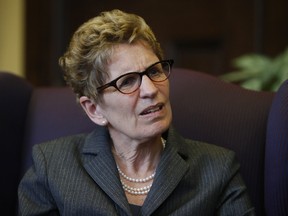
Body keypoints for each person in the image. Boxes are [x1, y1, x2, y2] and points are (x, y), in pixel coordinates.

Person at [18, 9, 255, 215]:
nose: (151, 90)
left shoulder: (218, 168)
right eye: (128, 82)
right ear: (94, 109)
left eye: (154, 71)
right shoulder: (52, 167)